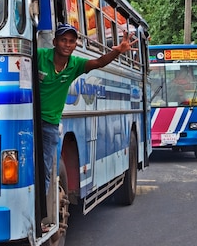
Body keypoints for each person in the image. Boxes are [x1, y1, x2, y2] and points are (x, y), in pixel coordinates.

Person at [38, 24, 135, 193]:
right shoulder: (39, 56)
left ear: (76, 45)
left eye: (71, 41)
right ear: (54, 42)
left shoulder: (75, 64)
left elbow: (98, 62)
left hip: (50, 124)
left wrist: (118, 51)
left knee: (44, 170)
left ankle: (38, 213)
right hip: (28, 119)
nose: (67, 44)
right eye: (63, 40)